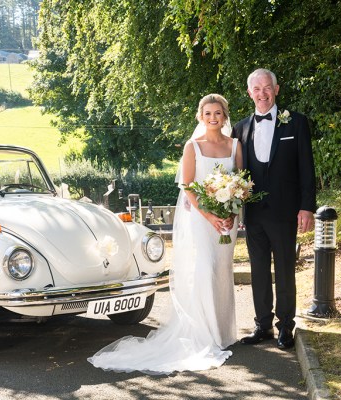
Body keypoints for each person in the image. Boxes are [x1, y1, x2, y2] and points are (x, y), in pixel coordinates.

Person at [88, 93, 243, 374]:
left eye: (217, 113)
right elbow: (188, 187)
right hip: (201, 219)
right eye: (207, 113)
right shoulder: (192, 147)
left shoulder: (235, 146)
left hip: (227, 222)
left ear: (224, 115)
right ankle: (204, 334)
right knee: (205, 268)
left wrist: (232, 213)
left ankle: (223, 333)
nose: (213, 118)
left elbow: (241, 184)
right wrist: (210, 216)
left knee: (222, 270)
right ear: (200, 116)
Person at [232, 68, 316, 350]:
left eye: (267, 88)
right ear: (249, 93)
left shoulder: (296, 123)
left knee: (284, 269)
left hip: (285, 210)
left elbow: (306, 167)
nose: (262, 93)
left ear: (276, 89)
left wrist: (307, 207)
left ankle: (285, 326)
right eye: (256, 89)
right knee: (257, 270)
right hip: (254, 213)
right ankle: (262, 324)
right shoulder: (240, 129)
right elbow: (236, 174)